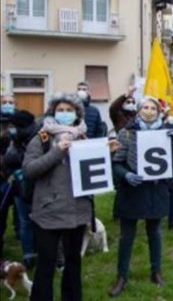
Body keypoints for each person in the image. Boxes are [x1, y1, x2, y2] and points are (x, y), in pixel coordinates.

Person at [22, 94, 93, 301]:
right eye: (60, 110)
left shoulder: (83, 138)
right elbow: (29, 170)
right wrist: (56, 152)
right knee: (46, 264)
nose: (64, 114)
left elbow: (93, 173)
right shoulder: (41, 138)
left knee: (73, 263)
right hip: (48, 211)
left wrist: (108, 154)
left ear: (77, 114)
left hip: (77, 211)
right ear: (53, 112)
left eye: (69, 110)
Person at [109, 96, 173, 297]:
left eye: (153, 108)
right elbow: (117, 163)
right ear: (139, 110)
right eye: (145, 107)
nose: (149, 111)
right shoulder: (126, 133)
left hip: (155, 190)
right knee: (126, 235)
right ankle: (121, 276)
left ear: (158, 112)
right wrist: (126, 175)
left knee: (154, 232)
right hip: (132, 190)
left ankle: (156, 271)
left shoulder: (166, 133)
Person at [1, 110, 38, 267]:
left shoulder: (38, 139)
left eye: (13, 126)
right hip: (19, 188)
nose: (10, 129)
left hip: (37, 188)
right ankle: (28, 254)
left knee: (36, 221)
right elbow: (9, 160)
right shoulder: (15, 140)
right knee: (24, 222)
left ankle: (42, 252)